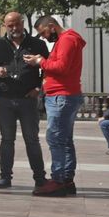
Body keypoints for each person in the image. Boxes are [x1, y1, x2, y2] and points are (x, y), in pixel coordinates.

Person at [0, 11, 48, 189]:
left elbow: (48, 68)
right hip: (5, 99)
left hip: (28, 99)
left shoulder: (37, 44)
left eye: (17, 24)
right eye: (10, 25)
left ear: (23, 23)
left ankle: (40, 178)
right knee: (7, 140)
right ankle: (5, 177)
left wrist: (38, 88)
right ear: (5, 25)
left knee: (32, 139)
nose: (14, 28)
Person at [27, 15, 84, 196]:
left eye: (43, 32)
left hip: (61, 96)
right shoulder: (67, 40)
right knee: (65, 140)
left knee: (56, 139)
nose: (43, 37)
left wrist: (40, 62)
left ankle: (58, 180)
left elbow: (62, 67)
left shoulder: (66, 40)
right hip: (65, 95)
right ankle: (67, 179)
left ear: (51, 26)